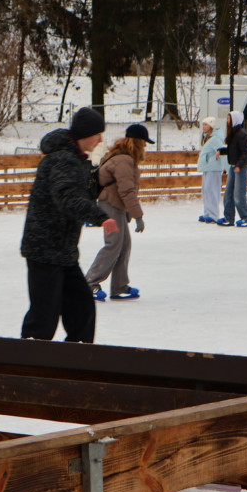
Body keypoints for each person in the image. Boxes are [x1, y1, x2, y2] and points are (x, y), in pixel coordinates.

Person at [20, 106, 118, 342]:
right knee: (45, 313)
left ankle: (78, 357)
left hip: (62, 251)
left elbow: (81, 193)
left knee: (82, 306)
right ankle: (26, 363)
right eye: (97, 134)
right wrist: (101, 217)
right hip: (45, 249)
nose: (101, 139)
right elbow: (67, 198)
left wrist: (98, 175)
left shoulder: (74, 159)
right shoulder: (63, 160)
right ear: (85, 133)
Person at [86, 123, 154, 302]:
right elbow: (126, 190)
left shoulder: (122, 157)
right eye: (144, 142)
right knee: (114, 244)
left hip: (115, 205)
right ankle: (90, 282)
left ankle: (119, 286)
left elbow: (122, 191)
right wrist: (138, 215)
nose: (145, 146)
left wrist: (126, 211)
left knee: (124, 244)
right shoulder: (124, 160)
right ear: (137, 142)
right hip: (110, 205)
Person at [218, 110, 247, 227]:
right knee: (228, 194)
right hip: (233, 167)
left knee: (238, 195)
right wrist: (221, 151)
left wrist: (239, 165)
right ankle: (229, 217)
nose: (227, 121)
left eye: (229, 119)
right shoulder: (233, 134)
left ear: (235, 120)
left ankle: (246, 218)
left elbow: (246, 153)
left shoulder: (242, 134)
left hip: (240, 168)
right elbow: (232, 150)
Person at [197, 116, 227, 224]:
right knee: (206, 190)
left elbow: (223, 153)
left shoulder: (215, 139)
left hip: (214, 168)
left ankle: (213, 215)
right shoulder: (208, 138)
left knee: (213, 190)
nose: (203, 127)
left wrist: (227, 168)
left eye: (205, 125)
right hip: (208, 167)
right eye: (203, 125)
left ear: (211, 126)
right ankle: (207, 213)